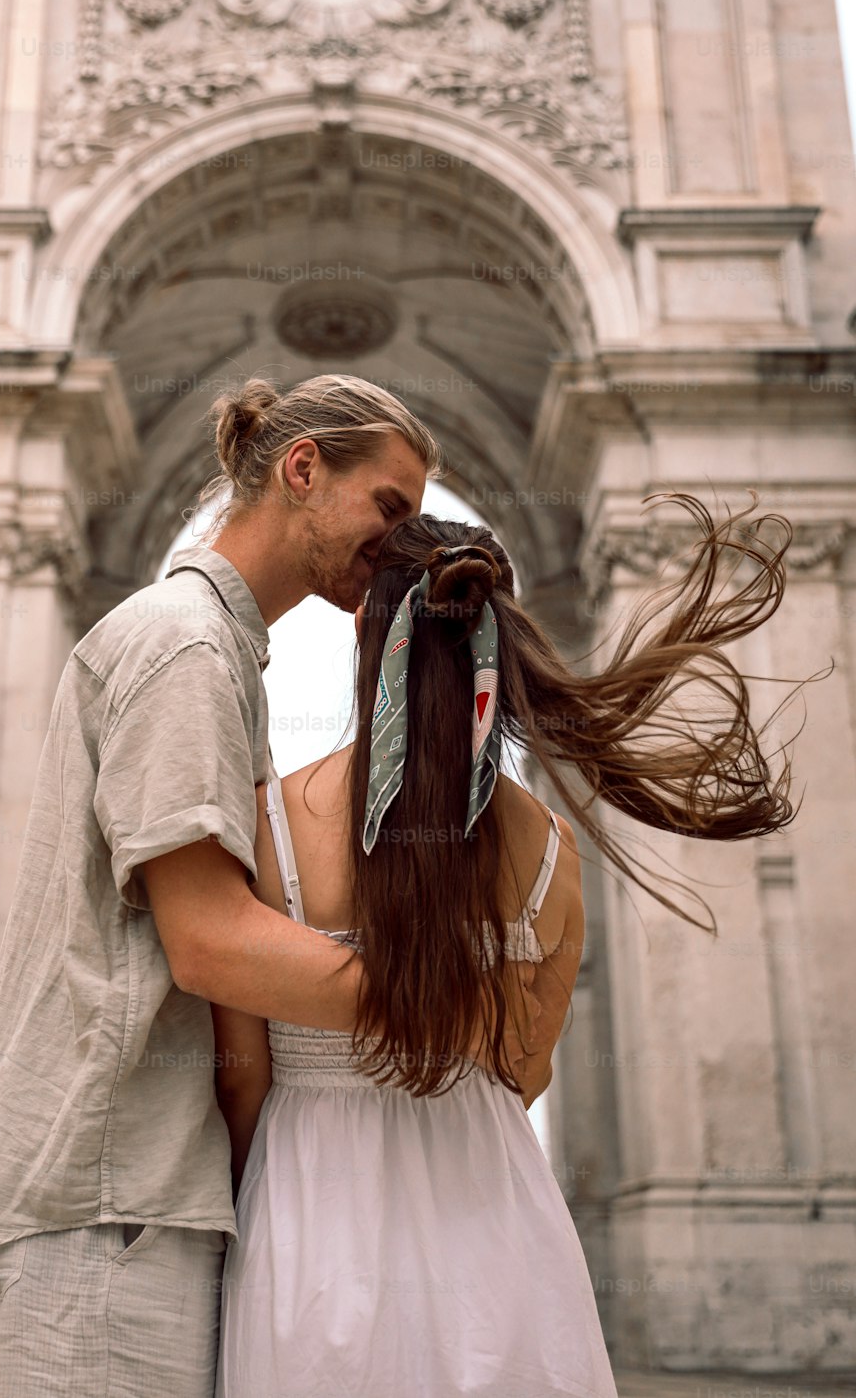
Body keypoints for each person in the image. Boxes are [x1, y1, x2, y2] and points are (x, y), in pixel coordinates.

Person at [0, 375, 539, 1398]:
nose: (398, 542)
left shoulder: (207, 646)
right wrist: (444, 1004)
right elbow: (210, 942)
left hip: (119, 1201)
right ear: (302, 470)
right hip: (105, 1205)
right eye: (387, 506)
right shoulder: (186, 647)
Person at [211, 496, 803, 1398]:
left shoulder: (272, 823)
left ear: (370, 636)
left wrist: (267, 1180)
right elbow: (524, 1069)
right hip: (494, 1223)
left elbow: (241, 1071)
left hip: (309, 1224)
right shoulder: (548, 848)